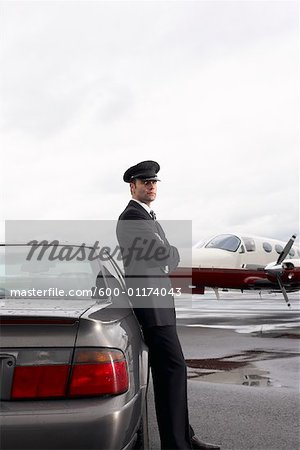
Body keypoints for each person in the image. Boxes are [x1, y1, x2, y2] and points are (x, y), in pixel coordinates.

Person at [116, 160, 220, 450]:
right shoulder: (132, 218)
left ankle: (184, 437)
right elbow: (165, 255)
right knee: (172, 371)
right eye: (144, 181)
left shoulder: (148, 218)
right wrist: (169, 254)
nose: (151, 185)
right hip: (152, 307)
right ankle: (177, 443)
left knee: (172, 372)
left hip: (159, 305)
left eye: (154, 181)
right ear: (132, 185)